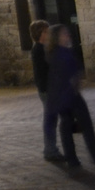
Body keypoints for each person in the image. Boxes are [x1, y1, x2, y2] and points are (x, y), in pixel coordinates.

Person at [46, 24, 95, 168]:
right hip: (70, 95)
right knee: (85, 125)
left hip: (60, 96)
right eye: (64, 34)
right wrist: (76, 82)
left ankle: (73, 159)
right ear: (57, 37)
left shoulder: (55, 52)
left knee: (66, 126)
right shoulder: (62, 53)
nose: (68, 36)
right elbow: (70, 73)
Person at [30, 19, 63, 161]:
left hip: (50, 89)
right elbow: (46, 71)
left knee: (52, 120)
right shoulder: (39, 49)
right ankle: (50, 150)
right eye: (45, 31)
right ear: (39, 34)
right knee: (51, 120)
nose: (48, 33)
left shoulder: (44, 48)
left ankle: (51, 149)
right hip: (48, 90)